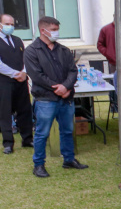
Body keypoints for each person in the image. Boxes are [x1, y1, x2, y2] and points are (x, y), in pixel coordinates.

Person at [24, 16, 88, 177]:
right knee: (42, 133)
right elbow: (37, 76)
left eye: (57, 29)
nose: (56, 33)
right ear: (43, 30)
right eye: (53, 30)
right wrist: (57, 88)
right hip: (45, 99)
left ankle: (69, 159)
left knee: (67, 130)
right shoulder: (32, 51)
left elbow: (73, 70)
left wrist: (66, 86)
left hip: (65, 98)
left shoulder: (63, 50)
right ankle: (38, 165)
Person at [0, 14, 32, 154]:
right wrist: (15, 74)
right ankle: (8, 142)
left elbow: (25, 58)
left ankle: (27, 139)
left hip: (21, 81)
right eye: (7, 24)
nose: (10, 27)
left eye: (12, 24)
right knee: (5, 112)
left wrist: (24, 72)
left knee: (25, 110)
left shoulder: (18, 40)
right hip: (4, 82)